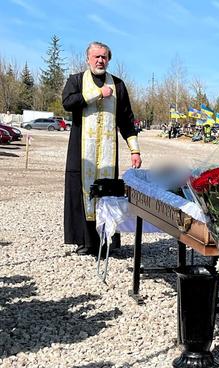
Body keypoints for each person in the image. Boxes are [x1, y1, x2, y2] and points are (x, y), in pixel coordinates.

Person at [62, 41, 142, 256]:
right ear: (88, 59)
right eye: (96, 56)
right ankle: (84, 241)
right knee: (81, 192)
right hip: (81, 151)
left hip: (108, 153)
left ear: (109, 59)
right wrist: (97, 94)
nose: (100, 60)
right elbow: (68, 103)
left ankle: (107, 243)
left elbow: (126, 120)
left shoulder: (118, 85)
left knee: (107, 193)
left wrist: (134, 150)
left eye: (104, 57)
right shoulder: (76, 80)